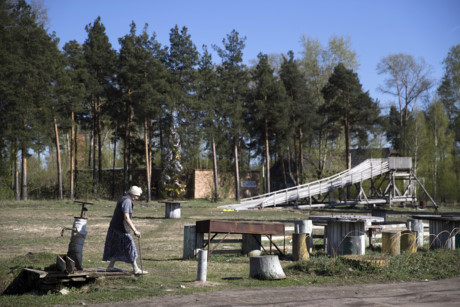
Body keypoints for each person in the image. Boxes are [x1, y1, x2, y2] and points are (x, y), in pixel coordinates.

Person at [103, 185, 148, 274]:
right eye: (137, 196)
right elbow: (126, 217)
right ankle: (136, 269)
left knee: (116, 247)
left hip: (114, 228)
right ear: (134, 194)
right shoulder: (127, 201)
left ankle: (110, 267)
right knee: (131, 247)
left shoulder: (123, 198)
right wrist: (135, 230)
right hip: (121, 229)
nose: (138, 198)